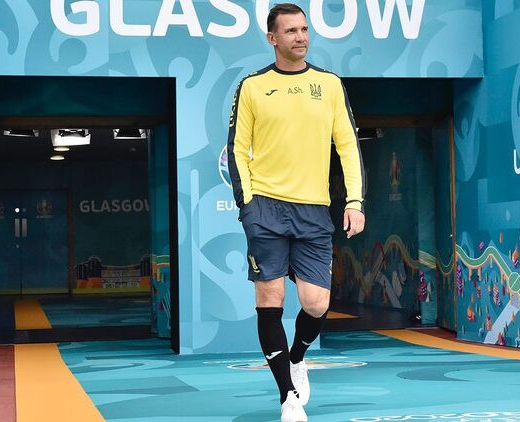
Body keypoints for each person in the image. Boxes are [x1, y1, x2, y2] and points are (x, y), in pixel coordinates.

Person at [226, 3, 366, 421]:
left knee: (316, 303)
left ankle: (298, 356)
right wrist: (247, 204)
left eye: (304, 29)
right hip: (265, 208)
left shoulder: (330, 84)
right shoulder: (252, 86)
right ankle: (287, 396)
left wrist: (354, 201)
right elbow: (237, 148)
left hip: (314, 210)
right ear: (272, 38)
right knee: (270, 299)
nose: (300, 37)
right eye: (290, 31)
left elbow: (348, 146)